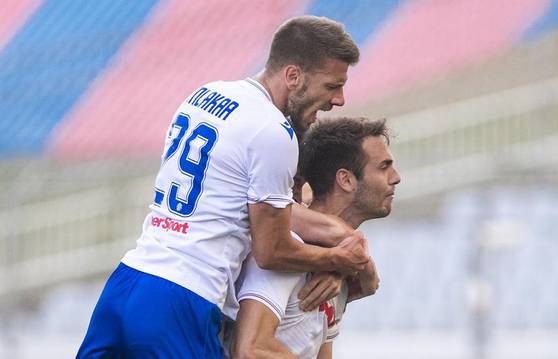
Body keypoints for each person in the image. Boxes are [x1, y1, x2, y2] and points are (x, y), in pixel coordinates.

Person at [78, 16, 367, 358]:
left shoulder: (206, 94)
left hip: (128, 280)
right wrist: (337, 258)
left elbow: (271, 213)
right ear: (293, 76)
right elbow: (271, 250)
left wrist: (345, 249)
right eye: (332, 85)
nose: (340, 99)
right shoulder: (273, 132)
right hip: (183, 297)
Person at [231, 117, 401, 359]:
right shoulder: (289, 252)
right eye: (384, 167)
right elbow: (250, 350)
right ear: (346, 180)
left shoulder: (338, 271)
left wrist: (350, 265)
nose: (396, 177)